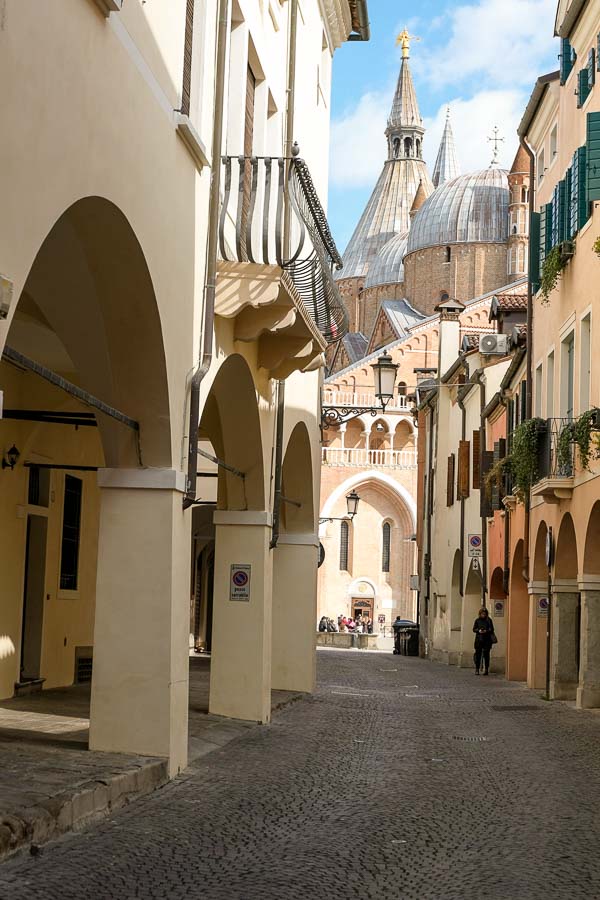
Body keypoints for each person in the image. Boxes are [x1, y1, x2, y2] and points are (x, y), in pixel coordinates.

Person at [473, 606, 495, 675]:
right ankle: (477, 669)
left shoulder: (489, 620)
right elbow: (474, 629)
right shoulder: (477, 620)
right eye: (482, 614)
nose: (483, 615)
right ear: (480, 614)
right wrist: (479, 630)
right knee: (478, 655)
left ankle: (486, 669)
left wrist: (486, 631)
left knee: (486, 655)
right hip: (479, 640)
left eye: (484, 614)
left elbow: (492, 629)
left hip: (487, 640)